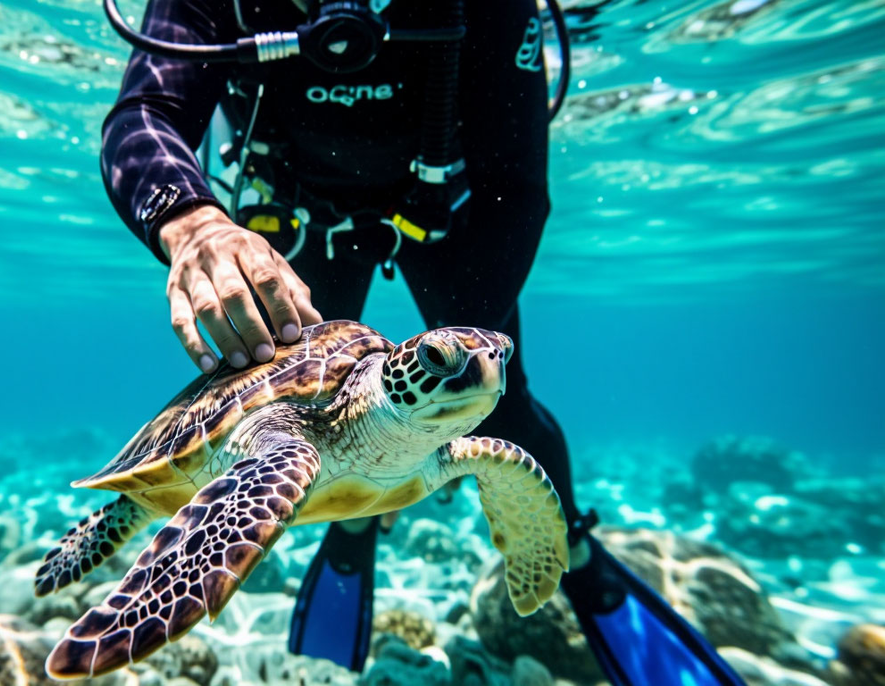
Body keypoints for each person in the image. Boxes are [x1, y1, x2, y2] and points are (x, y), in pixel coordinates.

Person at [98, 0, 745, 683]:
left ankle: (576, 559)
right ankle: (353, 523)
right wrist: (192, 222)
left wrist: (452, 363)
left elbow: (520, 188)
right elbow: (144, 116)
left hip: (449, 212)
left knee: (501, 405)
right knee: (309, 430)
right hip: (290, 217)